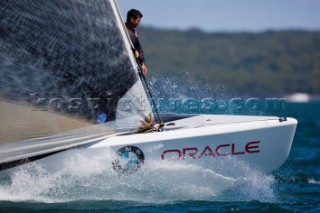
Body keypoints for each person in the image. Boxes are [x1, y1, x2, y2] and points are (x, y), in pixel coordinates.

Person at [125, 9, 148, 76]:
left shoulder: (134, 32)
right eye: (138, 21)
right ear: (132, 19)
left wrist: (143, 63)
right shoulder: (122, 29)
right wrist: (134, 50)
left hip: (132, 62)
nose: (139, 23)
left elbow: (138, 47)